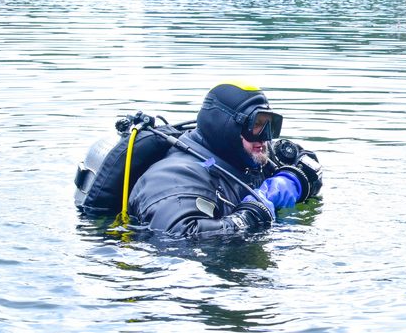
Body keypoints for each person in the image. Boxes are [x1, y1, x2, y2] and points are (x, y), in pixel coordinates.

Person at [127, 82, 322, 238]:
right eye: (257, 125)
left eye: (270, 126)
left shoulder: (251, 155)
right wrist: (251, 216)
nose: (265, 137)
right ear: (227, 128)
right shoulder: (173, 177)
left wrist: (291, 180)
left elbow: (309, 164)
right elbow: (178, 236)